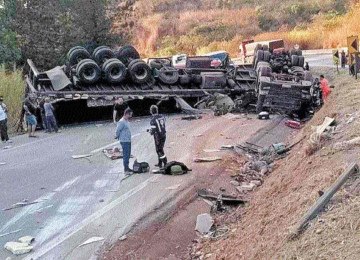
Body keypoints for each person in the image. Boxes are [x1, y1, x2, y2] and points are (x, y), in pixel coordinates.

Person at [115, 108, 133, 174]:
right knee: (126, 155)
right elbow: (117, 130)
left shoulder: (126, 121)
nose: (131, 116)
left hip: (128, 140)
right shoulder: (121, 121)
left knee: (128, 154)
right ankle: (126, 170)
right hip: (124, 141)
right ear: (126, 114)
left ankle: (127, 168)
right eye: (130, 115)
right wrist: (117, 136)